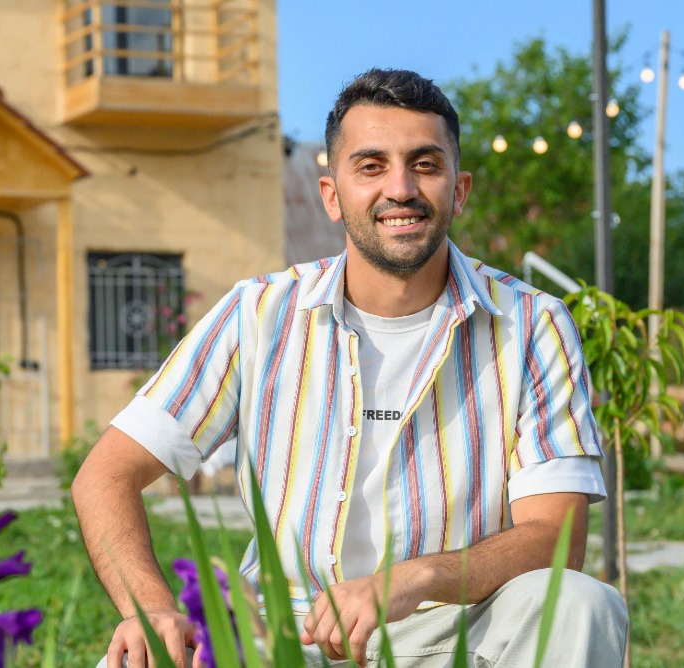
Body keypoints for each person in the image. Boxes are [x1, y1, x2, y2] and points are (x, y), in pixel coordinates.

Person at [72, 68, 629, 668]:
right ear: (332, 195)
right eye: (371, 166)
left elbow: (558, 538)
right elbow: (105, 477)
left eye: (424, 164)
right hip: (286, 635)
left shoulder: (531, 324)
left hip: (458, 630)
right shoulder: (258, 314)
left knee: (580, 602)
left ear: (459, 189)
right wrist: (150, 610)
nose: (401, 188)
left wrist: (412, 580)